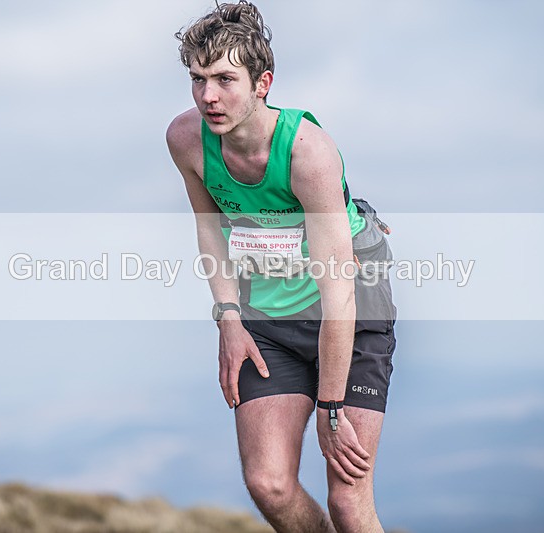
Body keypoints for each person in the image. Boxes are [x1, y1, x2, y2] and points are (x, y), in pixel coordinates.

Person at [166, 2, 396, 532]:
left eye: (225, 79)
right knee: (269, 483)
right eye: (198, 79)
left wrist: (331, 409)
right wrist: (228, 319)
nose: (208, 96)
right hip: (268, 311)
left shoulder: (307, 153)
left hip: (351, 311)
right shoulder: (185, 139)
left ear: (262, 83)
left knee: (348, 501)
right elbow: (209, 227)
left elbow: (339, 292)